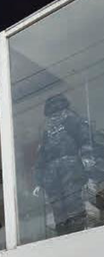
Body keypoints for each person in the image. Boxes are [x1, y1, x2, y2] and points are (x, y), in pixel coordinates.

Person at [33, 93, 94, 236]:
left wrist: (87, 161)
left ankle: (76, 234)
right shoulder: (47, 127)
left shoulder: (71, 120)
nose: (55, 112)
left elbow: (85, 140)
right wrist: (39, 181)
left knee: (72, 202)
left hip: (69, 167)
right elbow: (42, 156)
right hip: (55, 172)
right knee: (59, 206)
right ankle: (65, 234)